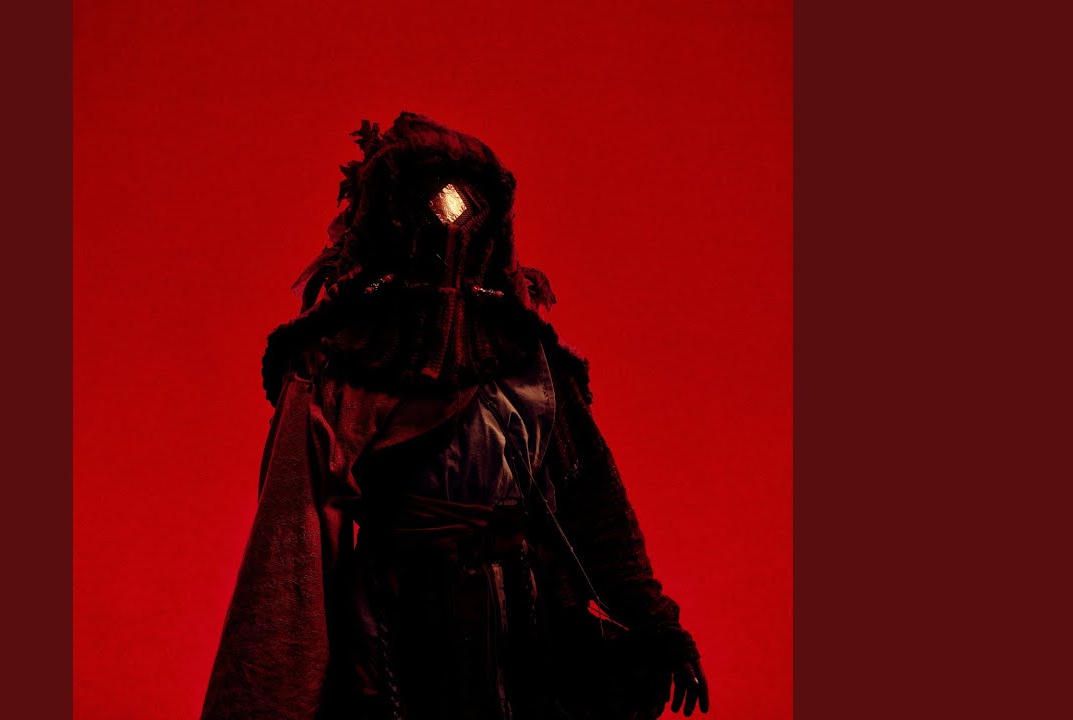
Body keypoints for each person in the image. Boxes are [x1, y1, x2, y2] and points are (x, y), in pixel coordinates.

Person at [198, 112, 709, 720]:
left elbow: (592, 502)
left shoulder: (530, 357)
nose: (451, 220)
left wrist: (654, 623)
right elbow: (289, 555)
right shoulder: (337, 361)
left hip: (529, 633)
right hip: (400, 635)